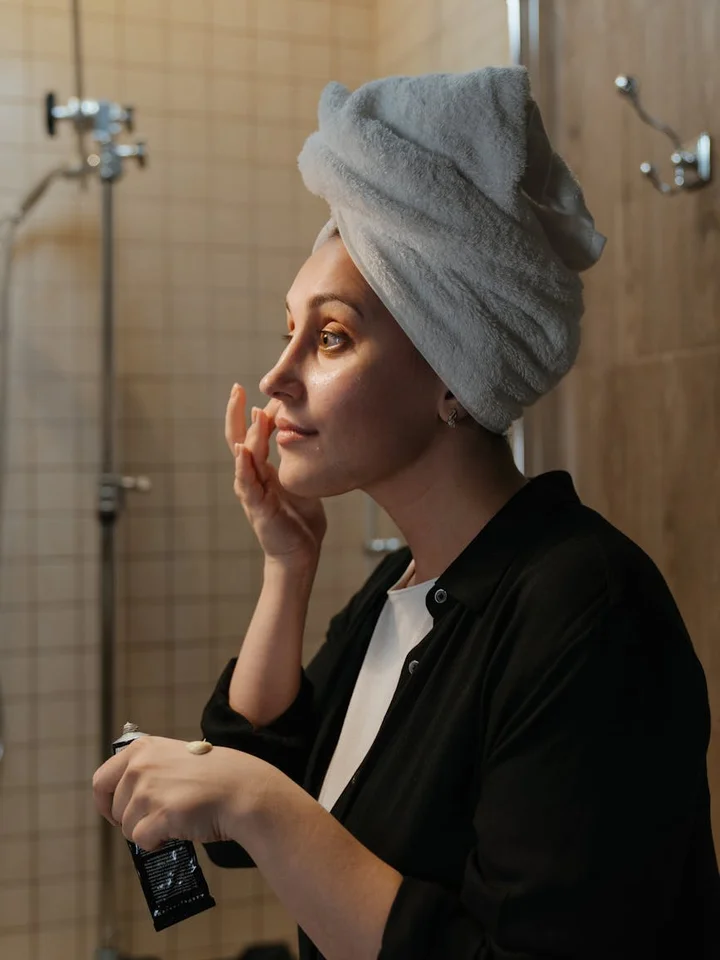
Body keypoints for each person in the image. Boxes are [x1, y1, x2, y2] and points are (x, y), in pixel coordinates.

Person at [93, 68, 720, 960]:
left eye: (332, 336)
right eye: (289, 332)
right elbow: (257, 803)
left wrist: (256, 803)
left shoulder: (587, 613)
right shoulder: (410, 584)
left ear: (454, 379)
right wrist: (287, 567)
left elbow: (265, 808)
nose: (277, 378)